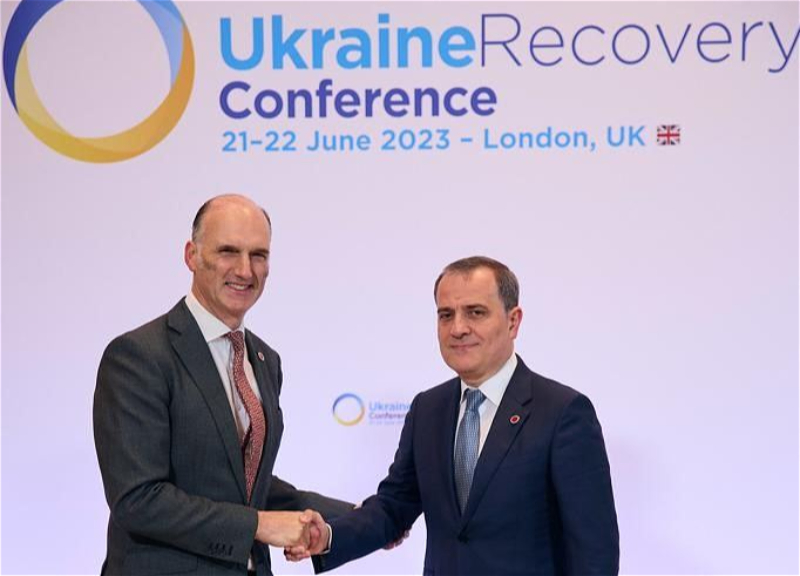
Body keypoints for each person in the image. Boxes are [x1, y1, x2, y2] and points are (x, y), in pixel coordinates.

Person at [294, 256, 619, 575]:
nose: (458, 328)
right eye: (446, 315)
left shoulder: (563, 412)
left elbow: (594, 553)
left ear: (513, 321)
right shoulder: (427, 410)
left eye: (475, 313)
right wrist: (329, 536)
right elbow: (394, 506)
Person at [93, 194, 352, 576]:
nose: (245, 270)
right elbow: (138, 499)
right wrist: (258, 525)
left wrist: (358, 517)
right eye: (228, 251)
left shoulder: (265, 359)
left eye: (258, 255)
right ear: (192, 255)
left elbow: (242, 483)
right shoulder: (139, 355)